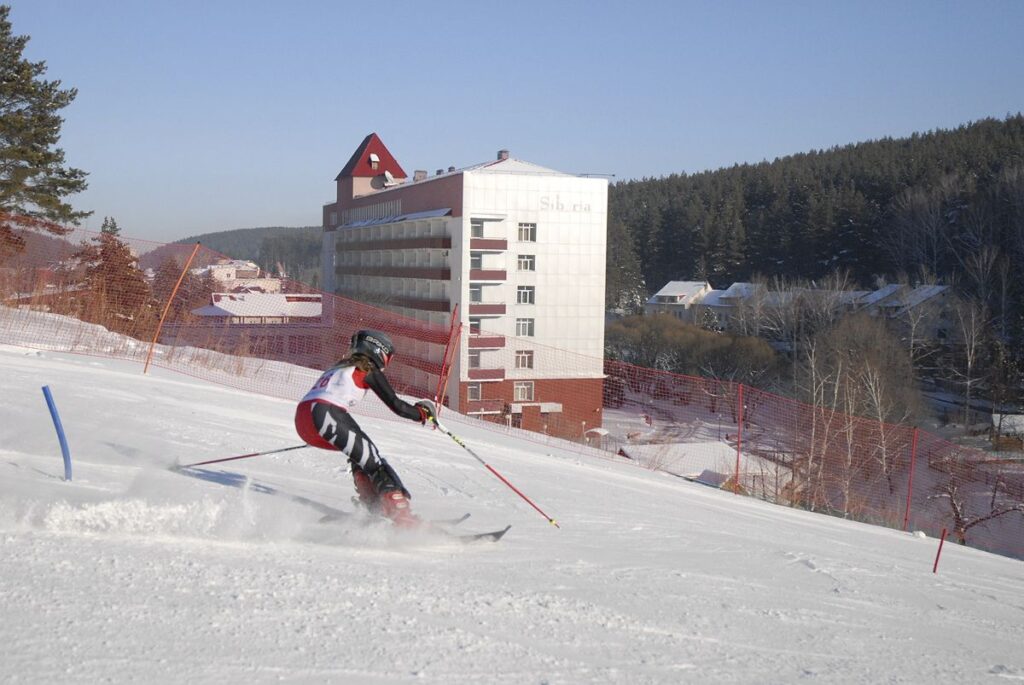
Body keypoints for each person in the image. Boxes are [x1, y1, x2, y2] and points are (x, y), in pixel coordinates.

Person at [294, 329, 437, 527]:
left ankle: (375, 509)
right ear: (380, 352)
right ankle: (402, 516)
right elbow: (397, 406)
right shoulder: (367, 369)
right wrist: (422, 413)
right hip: (326, 413)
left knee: (360, 457)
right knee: (376, 464)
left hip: (304, 419)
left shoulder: (339, 367)